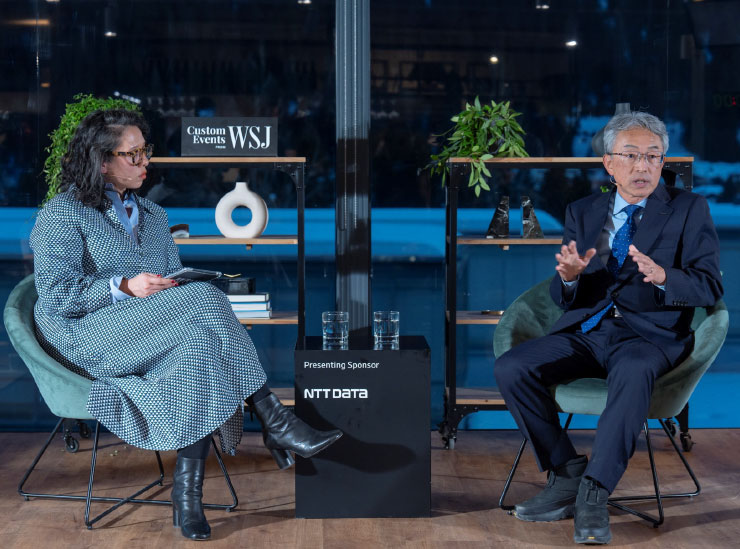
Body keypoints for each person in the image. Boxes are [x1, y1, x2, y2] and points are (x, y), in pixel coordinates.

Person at [30, 109, 342, 541]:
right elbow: (57, 294)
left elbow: (173, 287)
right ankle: (275, 419)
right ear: (102, 161)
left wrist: (166, 286)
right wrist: (124, 285)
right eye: (131, 155)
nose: (144, 163)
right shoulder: (63, 213)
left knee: (197, 348)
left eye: (145, 152)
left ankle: (187, 497)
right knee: (206, 299)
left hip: (153, 332)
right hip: (88, 334)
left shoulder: (154, 215)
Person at [494, 111, 723, 545]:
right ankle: (566, 472)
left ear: (663, 161)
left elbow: (710, 285)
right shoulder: (584, 211)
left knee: (634, 373)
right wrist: (569, 277)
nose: (643, 166)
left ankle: (594, 494)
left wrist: (663, 277)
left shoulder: (689, 209)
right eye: (632, 156)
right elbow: (567, 298)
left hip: (650, 336)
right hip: (589, 331)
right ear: (609, 163)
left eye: (653, 157)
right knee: (511, 368)